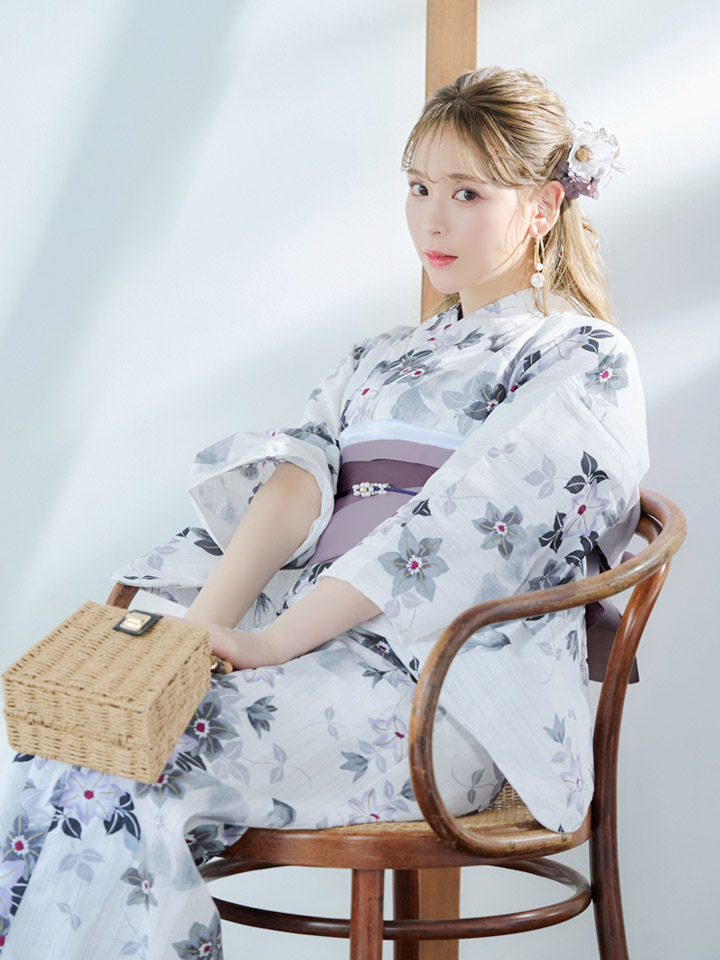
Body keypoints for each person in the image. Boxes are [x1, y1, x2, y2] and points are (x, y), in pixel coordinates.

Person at [0, 65, 649, 958]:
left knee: (141, 764)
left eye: (466, 193)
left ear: (541, 206)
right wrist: (193, 639)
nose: (432, 219)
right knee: (70, 746)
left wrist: (272, 644)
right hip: (314, 654)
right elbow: (295, 484)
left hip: (441, 690)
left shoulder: (582, 357)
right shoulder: (379, 356)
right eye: (418, 188)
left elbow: (458, 531)